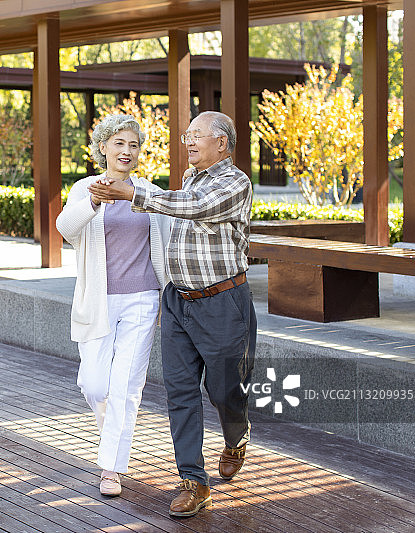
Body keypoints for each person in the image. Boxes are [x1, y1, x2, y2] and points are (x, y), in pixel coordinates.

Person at [89, 111, 256, 518]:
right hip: (177, 301)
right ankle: (193, 481)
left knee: (223, 391)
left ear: (222, 143)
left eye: (198, 135)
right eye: (187, 135)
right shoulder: (189, 178)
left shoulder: (234, 183)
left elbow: (196, 208)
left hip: (223, 302)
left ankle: (236, 436)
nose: (189, 141)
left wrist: (133, 195)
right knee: (179, 392)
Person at [55, 115, 171, 497]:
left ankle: (111, 467)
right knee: (94, 384)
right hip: (98, 300)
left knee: (125, 386)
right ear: (103, 147)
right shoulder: (85, 188)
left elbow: (165, 249)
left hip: (142, 299)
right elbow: (65, 227)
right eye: (119, 143)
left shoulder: (148, 192)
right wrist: (91, 201)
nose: (127, 151)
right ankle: (112, 434)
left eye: (134, 144)